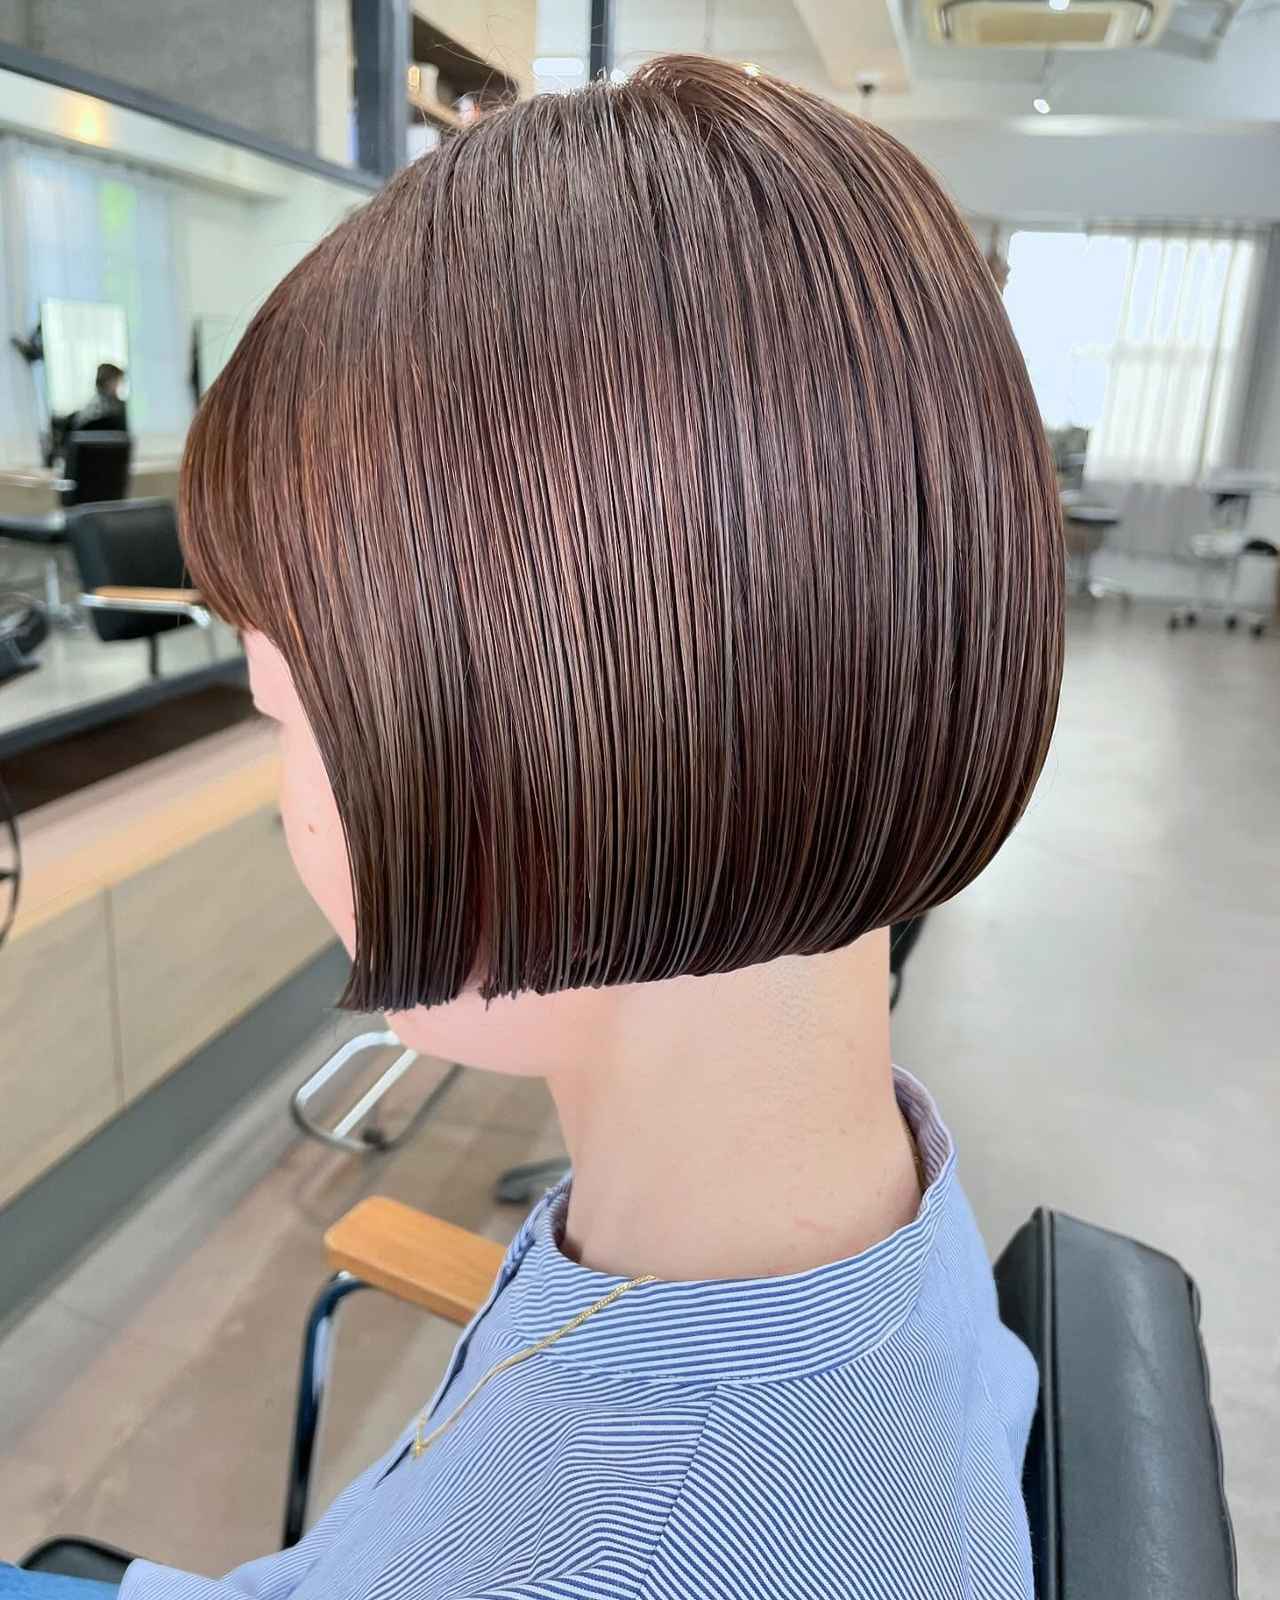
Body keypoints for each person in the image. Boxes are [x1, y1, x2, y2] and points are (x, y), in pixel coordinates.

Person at [12, 55, 1063, 1600]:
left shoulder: (635, 1551)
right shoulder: (844, 1208)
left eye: (286, 719)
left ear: (559, 753)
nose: (288, 808)